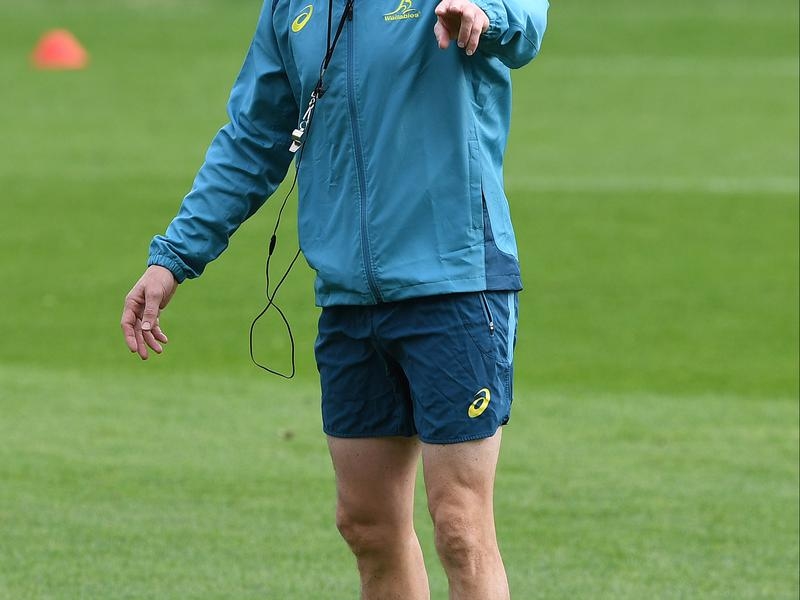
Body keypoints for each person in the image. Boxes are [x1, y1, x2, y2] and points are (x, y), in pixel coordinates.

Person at [121, 0, 548, 597]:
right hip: (348, 298)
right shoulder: (290, 7)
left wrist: (486, 13)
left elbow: (526, 20)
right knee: (366, 525)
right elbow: (254, 136)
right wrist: (173, 257)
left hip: (454, 283)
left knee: (459, 527)